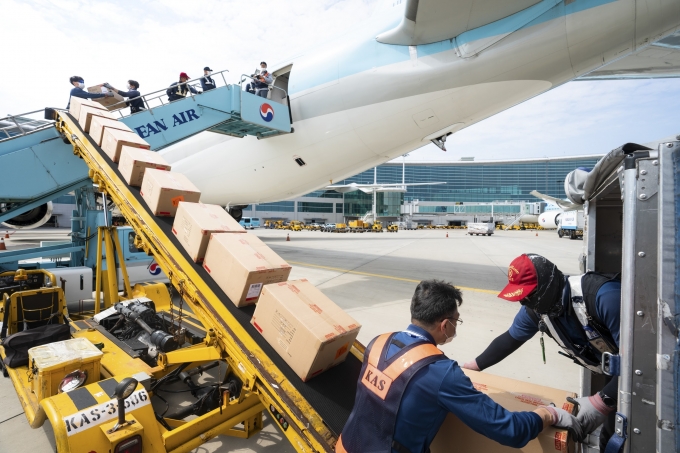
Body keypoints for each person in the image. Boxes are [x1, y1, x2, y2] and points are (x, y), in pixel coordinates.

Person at [337, 279, 584, 453]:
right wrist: (548, 414)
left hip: (346, 445)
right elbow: (510, 431)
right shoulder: (441, 372)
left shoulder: (378, 341)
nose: (457, 325)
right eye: (457, 320)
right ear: (445, 325)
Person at [462, 253, 621, 450]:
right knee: (611, 438)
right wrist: (474, 366)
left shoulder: (604, 297)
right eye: (521, 298)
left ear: (550, 283)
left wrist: (602, 401)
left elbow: (640, 361)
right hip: (614, 374)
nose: (525, 303)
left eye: (529, 295)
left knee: (632, 435)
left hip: (640, 376)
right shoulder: (537, 309)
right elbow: (510, 339)